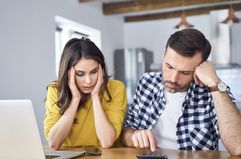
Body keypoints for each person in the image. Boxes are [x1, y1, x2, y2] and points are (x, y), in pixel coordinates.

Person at [122, 29, 241, 156]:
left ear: (200, 67)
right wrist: (134, 136)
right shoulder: (147, 82)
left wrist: (214, 82)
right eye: (169, 66)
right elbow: (126, 131)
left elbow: (238, 146)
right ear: (164, 54)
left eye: (185, 72)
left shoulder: (213, 91)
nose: (173, 79)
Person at [44, 37, 127, 150]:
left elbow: (107, 141)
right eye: (80, 73)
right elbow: (54, 143)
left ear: (101, 69)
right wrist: (75, 99)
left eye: (94, 72)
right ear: (68, 72)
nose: (88, 81)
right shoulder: (55, 90)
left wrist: (95, 96)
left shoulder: (116, 88)